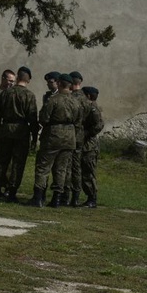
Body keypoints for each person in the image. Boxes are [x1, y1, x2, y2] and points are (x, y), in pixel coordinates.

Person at [29, 74, 84, 207]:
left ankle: (38, 198)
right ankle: (57, 199)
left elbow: (44, 118)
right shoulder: (76, 102)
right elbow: (79, 121)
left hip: (53, 135)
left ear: (59, 83)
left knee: (43, 167)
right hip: (70, 137)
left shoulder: (53, 100)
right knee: (61, 169)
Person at [0, 66, 38, 203]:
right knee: (18, 162)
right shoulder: (29, 95)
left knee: (1, 160)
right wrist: (35, 136)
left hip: (5, 128)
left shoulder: (6, 93)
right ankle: (11, 191)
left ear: (17, 78)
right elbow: (33, 118)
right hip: (21, 131)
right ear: (28, 80)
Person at [63, 70, 92, 207]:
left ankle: (66, 195)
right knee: (77, 168)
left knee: (67, 166)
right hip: (81, 136)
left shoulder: (71, 98)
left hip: (70, 134)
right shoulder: (86, 99)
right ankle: (76, 196)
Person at [80, 86, 104, 208]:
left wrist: (87, 133)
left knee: (88, 172)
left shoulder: (93, 108)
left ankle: (92, 198)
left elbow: (99, 125)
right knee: (84, 172)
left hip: (89, 146)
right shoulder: (89, 107)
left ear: (88, 96)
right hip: (86, 145)